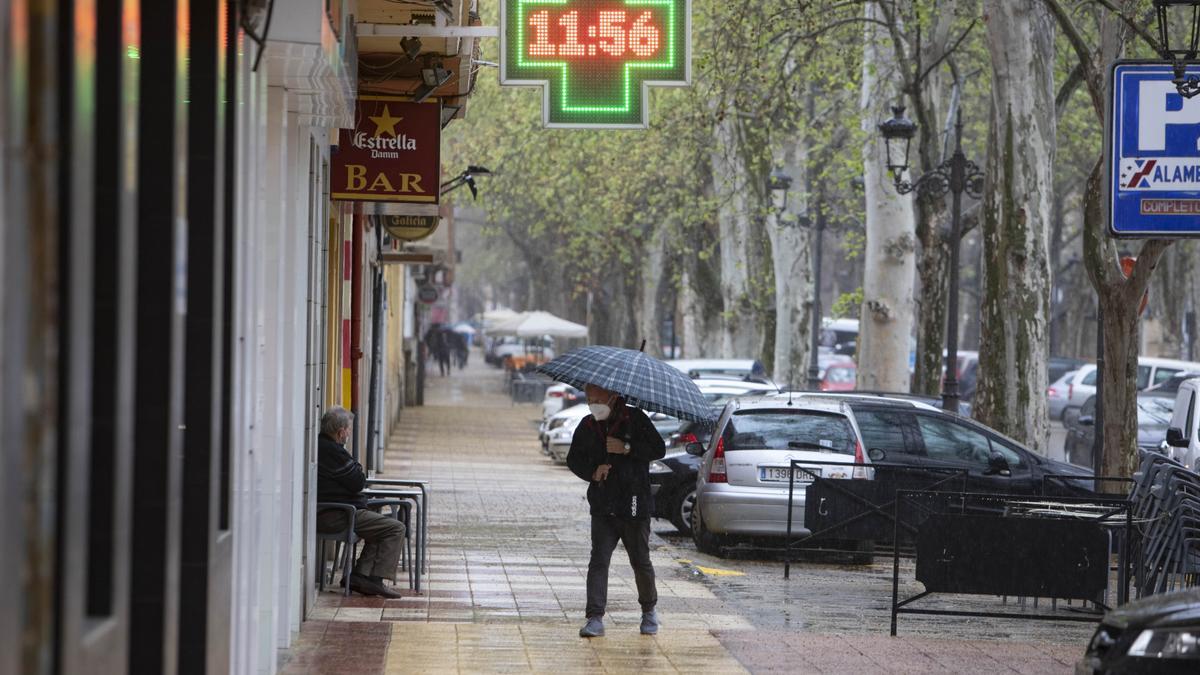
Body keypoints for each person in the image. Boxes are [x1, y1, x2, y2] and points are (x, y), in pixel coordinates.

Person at [566, 384, 666, 638]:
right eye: (588, 399)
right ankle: (595, 617)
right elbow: (573, 459)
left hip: (634, 504)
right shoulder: (588, 426)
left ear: (612, 398)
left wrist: (627, 448)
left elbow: (658, 449)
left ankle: (649, 611)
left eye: (597, 398)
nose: (592, 403)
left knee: (640, 560)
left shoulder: (635, 420)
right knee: (598, 561)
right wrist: (593, 470)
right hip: (603, 505)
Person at [315, 407, 405, 599]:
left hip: (341, 511)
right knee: (395, 528)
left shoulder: (328, 447)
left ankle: (361, 577)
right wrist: (356, 468)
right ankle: (373, 579)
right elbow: (357, 480)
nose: (349, 433)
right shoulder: (331, 450)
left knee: (380, 526)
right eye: (348, 430)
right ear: (340, 432)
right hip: (337, 514)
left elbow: (356, 477)